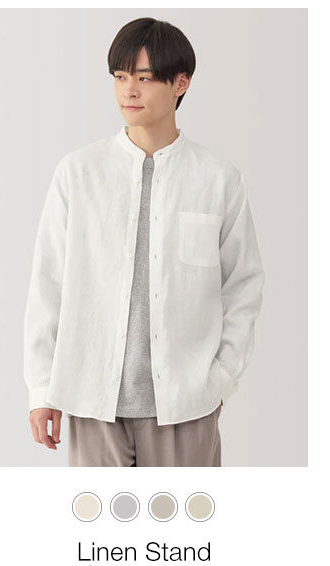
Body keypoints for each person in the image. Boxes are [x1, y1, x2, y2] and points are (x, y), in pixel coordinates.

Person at [24, 17, 265, 467]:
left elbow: (243, 286)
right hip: (93, 402)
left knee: (187, 516)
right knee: (98, 516)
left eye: (144, 78)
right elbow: (47, 284)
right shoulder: (79, 173)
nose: (128, 91)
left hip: (186, 408)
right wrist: (42, 389)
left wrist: (220, 380)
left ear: (181, 83)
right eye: (120, 77)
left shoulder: (218, 180)